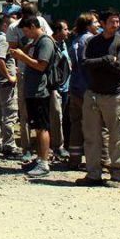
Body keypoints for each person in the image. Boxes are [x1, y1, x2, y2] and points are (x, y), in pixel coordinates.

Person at [78, 9, 120, 187]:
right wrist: (107, 59)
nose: (115, 25)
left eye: (117, 22)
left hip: (114, 96)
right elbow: (85, 64)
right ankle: (93, 174)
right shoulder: (93, 42)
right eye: (112, 22)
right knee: (92, 136)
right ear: (102, 23)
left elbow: (119, 68)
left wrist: (100, 63)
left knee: (117, 137)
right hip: (93, 94)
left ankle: (117, 175)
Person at [10, 16, 55, 178]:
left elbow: (41, 65)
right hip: (32, 90)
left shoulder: (45, 42)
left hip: (40, 91)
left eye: (26, 30)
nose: (25, 34)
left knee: (42, 127)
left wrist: (22, 57)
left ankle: (44, 163)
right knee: (36, 125)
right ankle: (39, 158)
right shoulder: (36, 42)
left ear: (33, 26)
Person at [67, 12, 98, 169]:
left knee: (76, 124)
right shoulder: (90, 40)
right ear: (88, 25)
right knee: (92, 125)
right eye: (95, 22)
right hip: (88, 87)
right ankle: (93, 161)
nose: (98, 25)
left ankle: (74, 158)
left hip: (74, 87)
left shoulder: (75, 41)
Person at [0, 18, 19, 159]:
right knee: (9, 115)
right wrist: (9, 76)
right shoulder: (4, 39)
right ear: (5, 25)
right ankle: (9, 146)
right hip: (3, 84)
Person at [49, 20, 69, 160]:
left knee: (64, 118)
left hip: (66, 86)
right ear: (57, 31)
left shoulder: (63, 44)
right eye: (65, 29)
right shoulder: (50, 45)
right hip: (54, 87)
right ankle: (56, 147)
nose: (68, 32)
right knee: (56, 117)